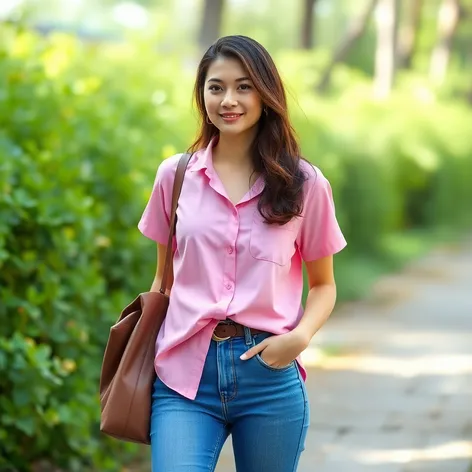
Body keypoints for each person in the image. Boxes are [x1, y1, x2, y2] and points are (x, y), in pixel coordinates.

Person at [138, 35, 347, 472]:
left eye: (244, 86)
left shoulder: (305, 183)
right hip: (183, 377)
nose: (228, 100)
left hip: (268, 373)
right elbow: (163, 280)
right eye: (216, 87)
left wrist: (298, 339)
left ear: (265, 94)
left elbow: (324, 285)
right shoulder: (174, 176)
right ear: (203, 96)